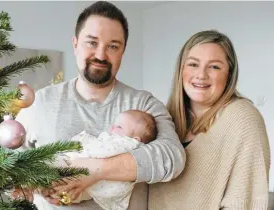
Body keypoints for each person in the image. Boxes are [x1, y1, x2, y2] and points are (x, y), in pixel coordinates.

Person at [14, 1, 186, 210]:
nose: (101, 55)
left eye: (113, 46)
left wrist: (94, 170)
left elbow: (172, 158)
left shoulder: (144, 105)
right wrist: (35, 185)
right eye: (92, 42)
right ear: (75, 43)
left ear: (123, 51)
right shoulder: (40, 102)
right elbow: (11, 162)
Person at [148, 30, 271, 210]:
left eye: (214, 67)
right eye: (193, 64)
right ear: (181, 70)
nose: (201, 75)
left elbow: (245, 200)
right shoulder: (165, 120)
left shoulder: (243, 118)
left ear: (229, 74)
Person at [47, 110, 158, 210]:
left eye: (119, 127)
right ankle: (57, 195)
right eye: (113, 125)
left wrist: (83, 142)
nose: (112, 128)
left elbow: (100, 151)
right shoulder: (119, 142)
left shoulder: (126, 144)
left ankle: (52, 191)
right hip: (93, 188)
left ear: (135, 139)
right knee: (73, 191)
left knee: (57, 166)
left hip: (98, 180)